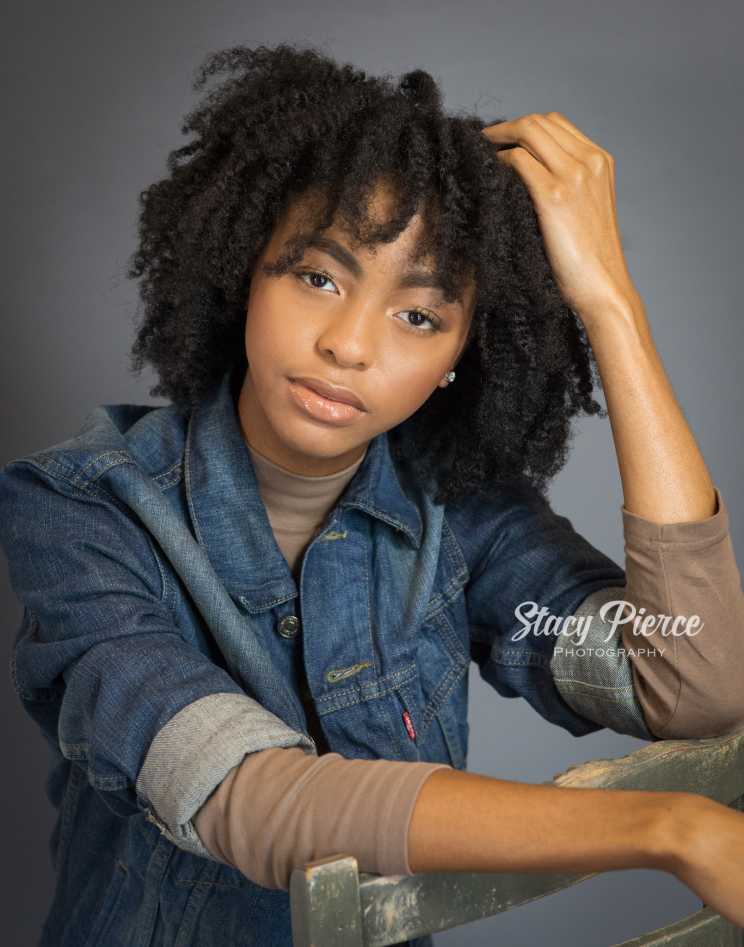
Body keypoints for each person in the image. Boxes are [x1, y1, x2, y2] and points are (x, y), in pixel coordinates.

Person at [1, 42, 744, 946]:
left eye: (419, 316)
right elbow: (250, 798)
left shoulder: (461, 520)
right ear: (246, 269)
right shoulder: (81, 509)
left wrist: (610, 304)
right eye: (318, 276)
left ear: (455, 363)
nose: (350, 344)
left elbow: (690, 678)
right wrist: (668, 828)